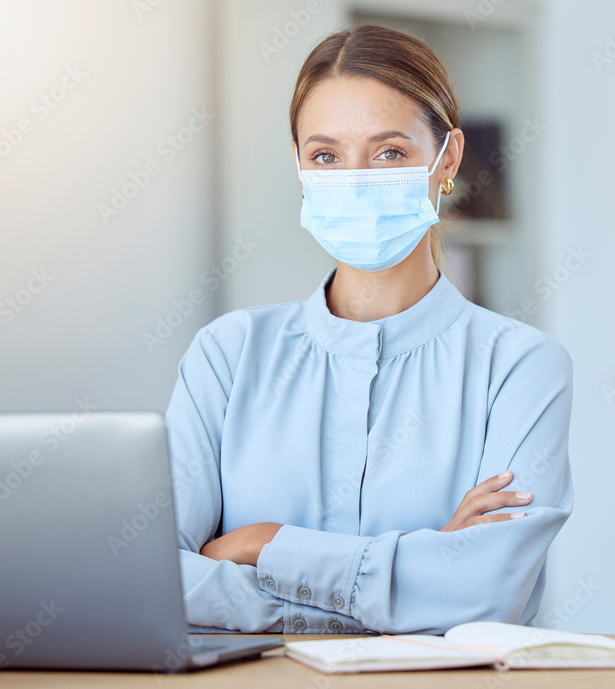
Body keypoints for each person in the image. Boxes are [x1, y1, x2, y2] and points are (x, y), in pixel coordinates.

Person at [163, 24, 574, 636]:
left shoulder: (518, 367)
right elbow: (157, 579)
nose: (353, 179)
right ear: (299, 166)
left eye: (389, 153)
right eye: (325, 155)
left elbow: (486, 594)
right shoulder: (227, 355)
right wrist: (416, 576)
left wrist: (264, 545)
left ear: (448, 159)